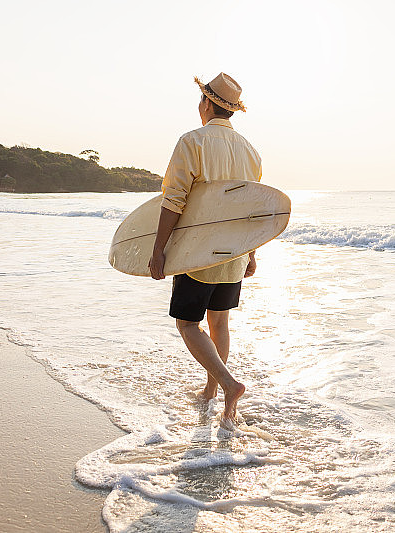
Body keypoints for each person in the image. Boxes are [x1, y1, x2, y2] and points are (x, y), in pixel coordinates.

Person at [149, 72, 262, 424]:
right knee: (220, 322)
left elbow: (174, 200)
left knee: (187, 324)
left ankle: (228, 385)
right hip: (234, 253)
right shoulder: (251, 151)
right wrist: (253, 254)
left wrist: (158, 249)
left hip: (198, 254)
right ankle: (211, 391)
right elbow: (252, 211)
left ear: (207, 103)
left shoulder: (192, 142)